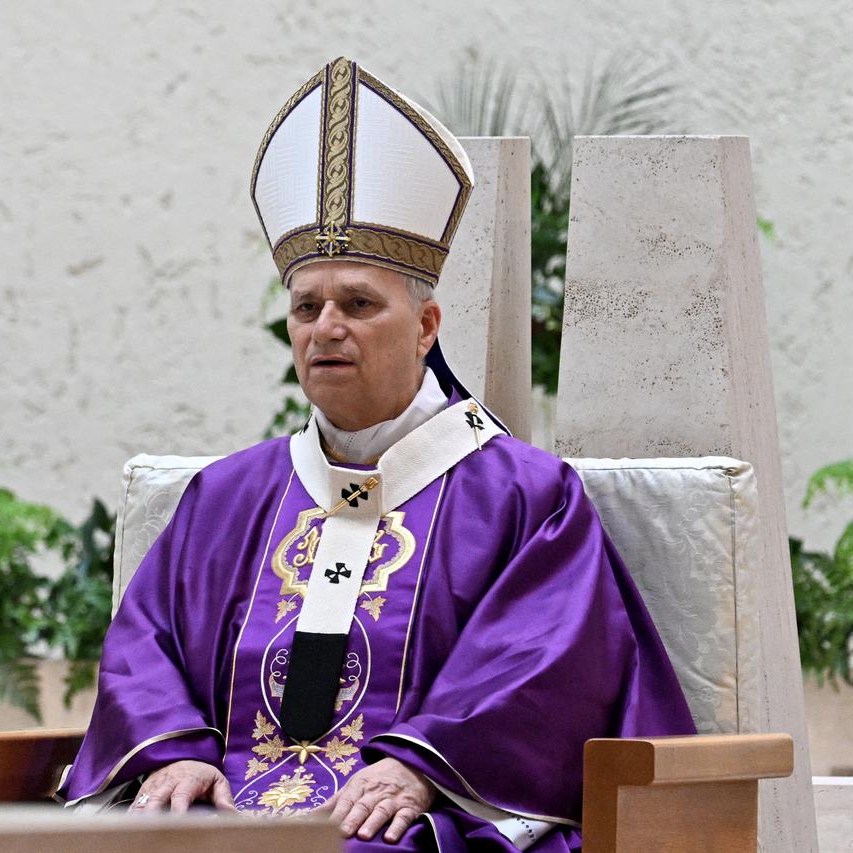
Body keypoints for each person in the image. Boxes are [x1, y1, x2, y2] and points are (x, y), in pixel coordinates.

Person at [57, 57, 696, 852]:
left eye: (358, 304)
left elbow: (542, 669)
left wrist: (418, 768)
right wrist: (172, 754)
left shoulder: (525, 497)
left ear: (426, 325)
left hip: (413, 822)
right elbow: (143, 643)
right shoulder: (225, 498)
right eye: (306, 306)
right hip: (222, 816)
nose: (326, 327)